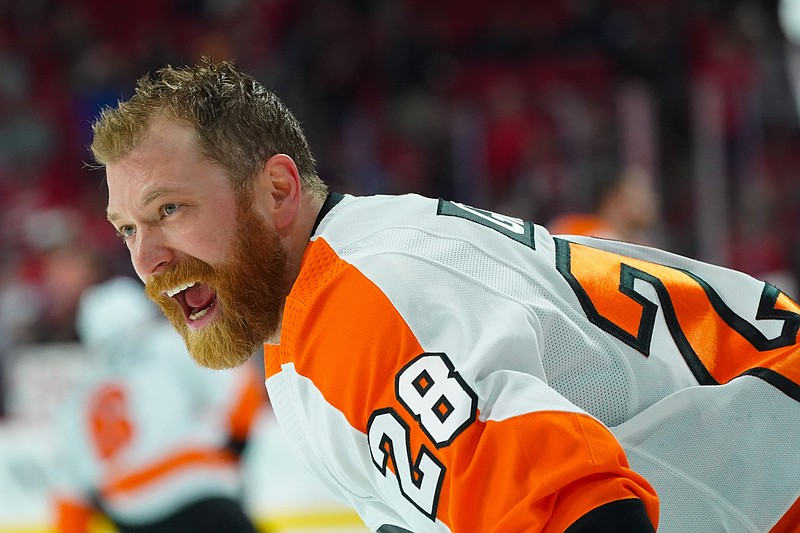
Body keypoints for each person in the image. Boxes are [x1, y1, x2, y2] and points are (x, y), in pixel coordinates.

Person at [90, 59, 799, 532]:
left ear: (276, 190)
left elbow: (585, 514)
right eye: (128, 227)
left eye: (170, 210)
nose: (146, 257)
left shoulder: (356, 304)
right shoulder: (313, 315)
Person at [51, 276, 265, 533]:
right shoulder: (169, 344)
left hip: (131, 512)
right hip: (200, 488)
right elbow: (241, 386)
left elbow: (69, 495)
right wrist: (235, 447)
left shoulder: (77, 394)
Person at [548, 163, 659, 245]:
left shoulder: (641, 244)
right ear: (614, 198)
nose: (651, 199)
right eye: (641, 192)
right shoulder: (575, 230)